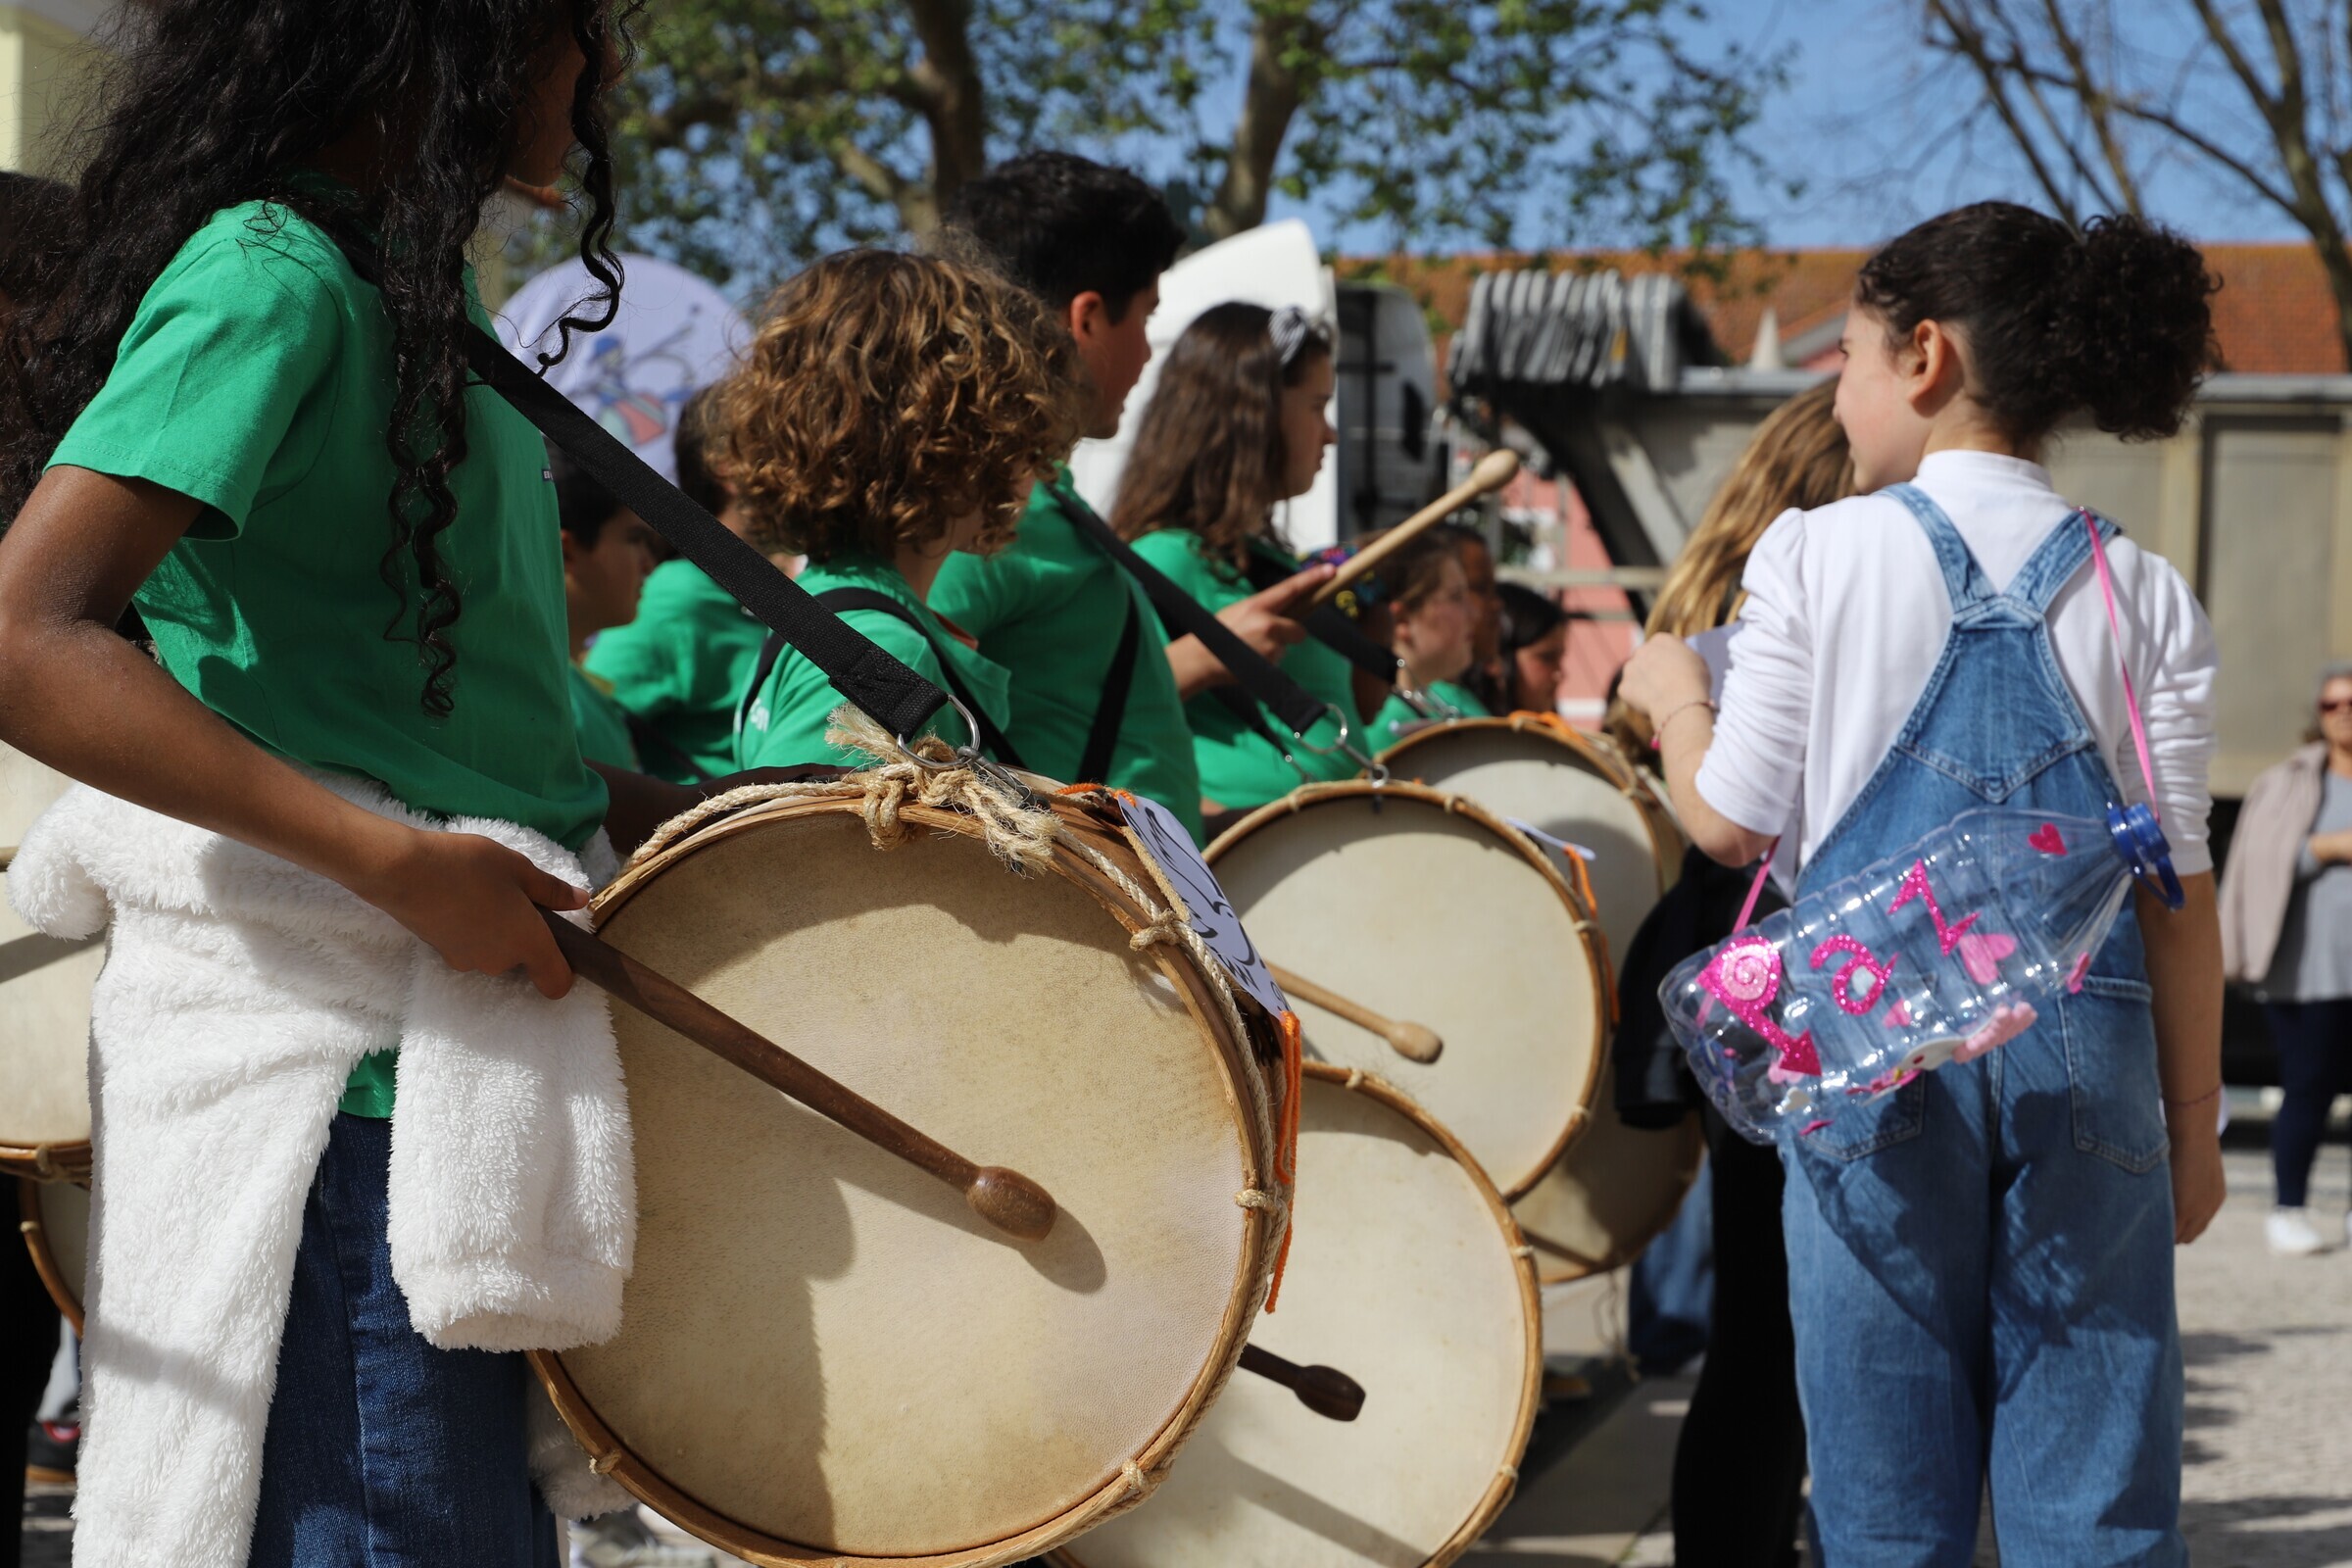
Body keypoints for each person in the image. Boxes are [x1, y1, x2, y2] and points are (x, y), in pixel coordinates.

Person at [0, 6, 784, 1562]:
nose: (602, 74)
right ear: (452, 39)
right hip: (335, 1108)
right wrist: (399, 867)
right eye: (574, 30)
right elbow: (29, 633)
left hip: (439, 1087)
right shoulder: (274, 276)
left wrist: (720, 828)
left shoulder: (411, 294)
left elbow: (464, 740)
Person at [1620, 202, 2226, 1564]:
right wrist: (2195, 1130)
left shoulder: (1817, 554)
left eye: (1846, 354)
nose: (1835, 391)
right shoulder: (2143, 588)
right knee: (2102, 1502)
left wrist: (1669, 699)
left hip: (1873, 1053)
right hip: (2096, 1058)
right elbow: (2179, 899)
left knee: (1889, 1510)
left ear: (1925, 357)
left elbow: (1728, 826)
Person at [1609, 381, 1852, 1568]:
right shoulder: (1796, 618)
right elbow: (1731, 823)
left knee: (1761, 1329)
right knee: (1810, 1327)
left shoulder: (1704, 619)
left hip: (1742, 989)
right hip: (1815, 984)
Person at [932, 154, 1328, 844]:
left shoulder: (1044, 505)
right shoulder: (990, 518)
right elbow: (890, 719)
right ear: (1087, 319)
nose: (1148, 353)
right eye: (1145, 317)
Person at [729, 249, 1081, 770]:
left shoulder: (818, 605)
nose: (1033, 454)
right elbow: (783, 849)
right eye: (1014, 417)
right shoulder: (884, 654)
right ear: (961, 442)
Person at [1115, 303, 1367, 824]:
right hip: (1246, 869)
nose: (1330, 434)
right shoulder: (1165, 558)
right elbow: (1107, 715)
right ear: (1256, 411)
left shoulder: (1264, 559)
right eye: (1317, 406)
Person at [2220, 662, 2352, 1255]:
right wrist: (2327, 848)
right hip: (2308, 974)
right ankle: (2289, 1207)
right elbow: (2259, 863)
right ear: (2318, 716)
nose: (2343, 712)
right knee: (2308, 1088)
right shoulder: (2290, 781)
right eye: (2332, 704)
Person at [581, 386, 773, 783]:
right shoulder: (676, 596)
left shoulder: (744, 587)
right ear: (728, 464)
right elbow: (582, 731)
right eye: (785, 443)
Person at [554, 447, 658, 772]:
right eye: (633, 538)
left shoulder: (565, 687)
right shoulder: (554, 700)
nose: (648, 564)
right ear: (566, 551)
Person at [1361, 527, 1489, 744]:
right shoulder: (1386, 727)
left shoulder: (1433, 704)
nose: (1474, 614)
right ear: (1401, 620)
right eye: (1456, 597)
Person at [1492, 583, 1569, 716]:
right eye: (1547, 658)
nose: (1560, 674)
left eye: (1560, 658)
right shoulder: (1465, 727)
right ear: (1496, 659)